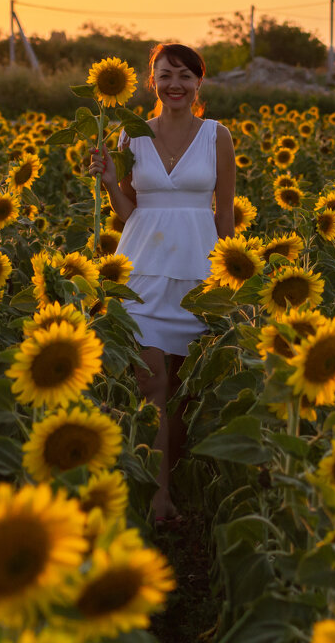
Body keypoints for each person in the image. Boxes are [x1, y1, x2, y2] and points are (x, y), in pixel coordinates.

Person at [89, 43, 236, 521]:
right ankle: (159, 496)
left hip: (199, 273)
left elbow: (226, 216)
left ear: (199, 84)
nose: (175, 84)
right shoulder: (131, 137)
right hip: (143, 274)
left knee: (187, 389)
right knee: (151, 385)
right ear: (151, 81)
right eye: (165, 75)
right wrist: (111, 184)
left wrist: (233, 282)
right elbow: (131, 212)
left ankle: (179, 481)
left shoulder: (218, 137)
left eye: (185, 76)